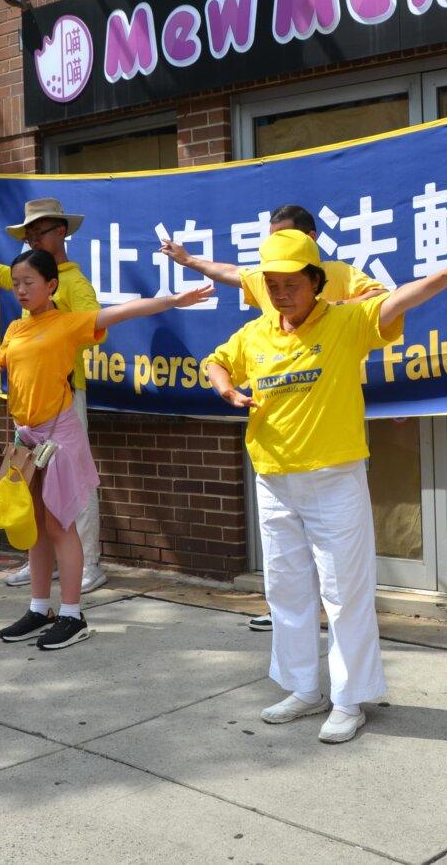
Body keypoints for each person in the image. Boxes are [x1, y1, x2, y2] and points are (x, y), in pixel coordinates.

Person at [204, 229, 447, 744]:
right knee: (286, 591)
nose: (280, 292)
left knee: (344, 594)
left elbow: (399, 299)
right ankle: (302, 688)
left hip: (332, 477)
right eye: (272, 283)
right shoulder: (258, 331)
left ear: (316, 282)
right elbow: (216, 360)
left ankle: (349, 698)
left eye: (291, 283)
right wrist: (226, 386)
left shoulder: (343, 321)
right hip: (273, 478)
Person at [162, 202, 386, 632]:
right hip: (275, 435)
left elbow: (380, 298)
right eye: (270, 255)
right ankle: (297, 661)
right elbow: (231, 274)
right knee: (286, 571)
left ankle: (348, 683)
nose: (280, 289)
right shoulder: (263, 303)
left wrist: (332, 316)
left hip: (325, 414)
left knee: (341, 572)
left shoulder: (336, 277)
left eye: (284, 242)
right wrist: (189, 261)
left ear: (311, 249)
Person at [0, 249, 213, 651]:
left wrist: (174, 301)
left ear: (51, 285)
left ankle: (72, 614)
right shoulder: (15, 328)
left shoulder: (69, 323)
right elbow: (10, 362)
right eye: (16, 283)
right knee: (34, 524)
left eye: (29, 282)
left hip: (58, 437)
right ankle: (40, 608)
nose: (20, 289)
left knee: (59, 524)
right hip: (26, 438)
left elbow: (123, 312)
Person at [0, 197, 108, 596]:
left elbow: (97, 326)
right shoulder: (28, 282)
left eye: (39, 231)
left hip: (64, 396)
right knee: (31, 482)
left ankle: (89, 564)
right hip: (29, 407)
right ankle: (39, 563)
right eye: (28, 233)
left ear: (61, 232)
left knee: (73, 483)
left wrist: (55, 330)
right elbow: (4, 275)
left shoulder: (73, 283)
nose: (31, 238)